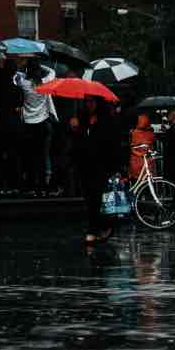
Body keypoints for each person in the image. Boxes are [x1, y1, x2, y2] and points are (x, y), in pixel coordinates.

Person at [71, 96, 121, 243]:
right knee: (91, 198)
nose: (89, 105)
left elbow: (112, 144)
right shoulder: (82, 118)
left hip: (101, 165)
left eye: (92, 102)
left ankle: (93, 230)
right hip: (85, 164)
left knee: (97, 198)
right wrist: (75, 128)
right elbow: (78, 142)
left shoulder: (107, 120)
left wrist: (115, 167)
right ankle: (102, 226)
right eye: (87, 102)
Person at [17, 63, 56, 195]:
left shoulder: (24, 84)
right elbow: (52, 72)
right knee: (43, 154)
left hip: (28, 124)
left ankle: (31, 184)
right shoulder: (45, 82)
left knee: (31, 155)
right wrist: (42, 66)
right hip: (43, 122)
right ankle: (44, 185)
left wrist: (24, 67)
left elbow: (16, 76)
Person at [0, 60, 24, 195]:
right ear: (15, 72)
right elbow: (19, 108)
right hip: (14, 125)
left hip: (0, 123)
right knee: (13, 155)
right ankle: (14, 184)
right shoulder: (17, 90)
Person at [129, 112, 157, 180]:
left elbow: (131, 146)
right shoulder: (151, 134)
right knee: (148, 181)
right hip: (147, 161)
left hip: (136, 161)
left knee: (136, 181)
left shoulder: (134, 133)